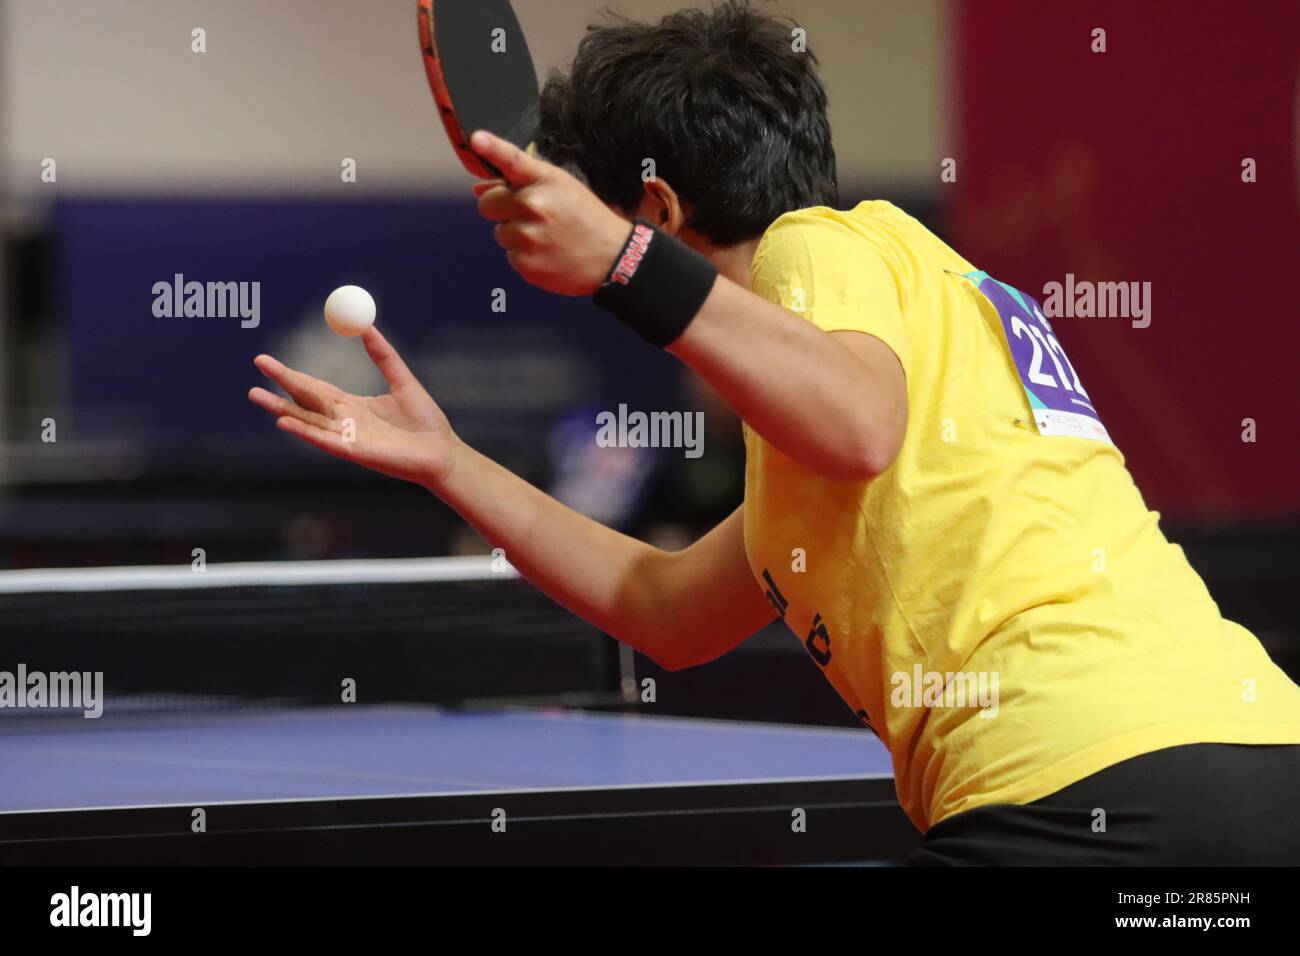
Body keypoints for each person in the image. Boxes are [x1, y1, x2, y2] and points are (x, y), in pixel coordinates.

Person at [248, 0, 1300, 864]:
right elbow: (658, 608)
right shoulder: (915, 321)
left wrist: (617, 264)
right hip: (1256, 770)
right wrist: (448, 459)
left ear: (655, 209)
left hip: (1086, 791)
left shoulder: (821, 244)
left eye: (629, 227)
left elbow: (858, 422)